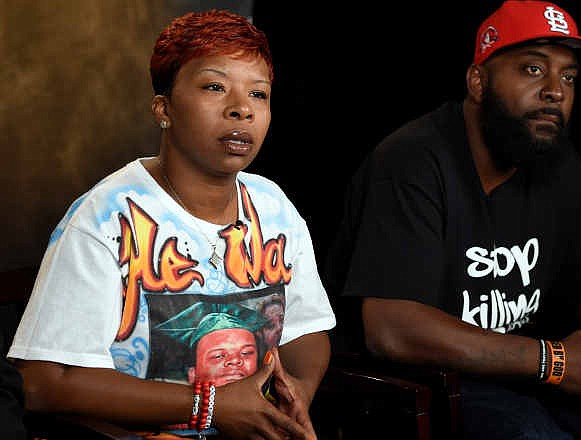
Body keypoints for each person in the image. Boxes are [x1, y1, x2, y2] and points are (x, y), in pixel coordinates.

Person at [325, 1, 581, 438]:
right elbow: (392, 330)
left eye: (568, 76)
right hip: (424, 383)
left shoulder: (559, 165)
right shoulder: (412, 160)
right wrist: (556, 361)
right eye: (532, 69)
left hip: (524, 370)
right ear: (478, 81)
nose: (555, 91)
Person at [7, 9, 335, 440]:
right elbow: (47, 383)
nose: (241, 110)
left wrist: (297, 395)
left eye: (258, 94)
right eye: (215, 87)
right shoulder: (105, 219)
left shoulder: (274, 208)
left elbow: (305, 333)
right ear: (164, 109)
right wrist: (211, 406)